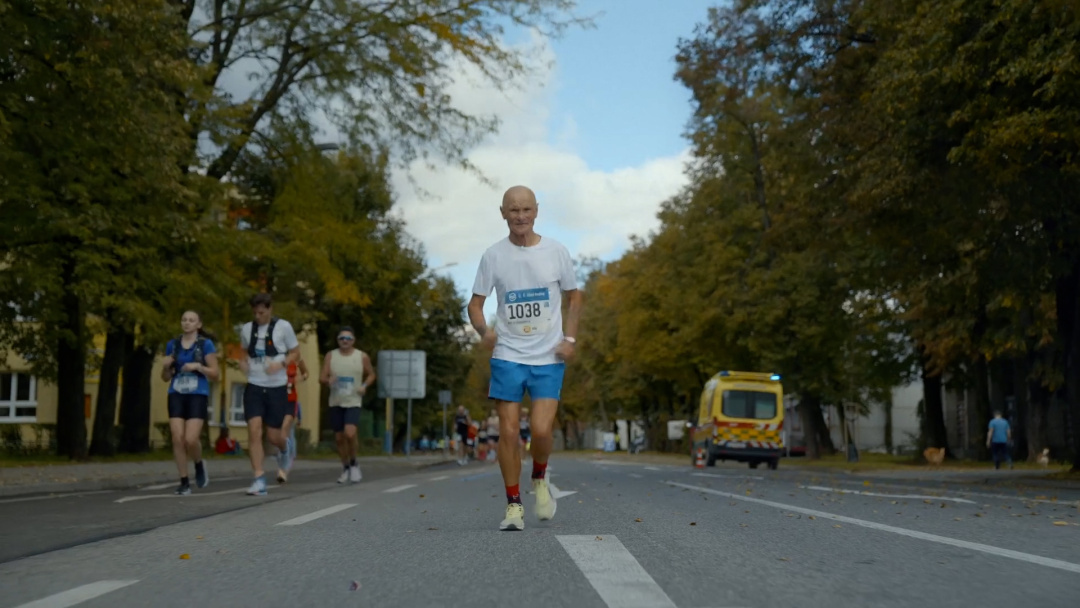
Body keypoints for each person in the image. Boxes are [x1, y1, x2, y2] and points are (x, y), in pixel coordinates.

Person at [467, 185, 583, 531]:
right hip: (508, 355)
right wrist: (483, 330)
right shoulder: (493, 256)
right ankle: (514, 505)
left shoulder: (556, 251)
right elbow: (475, 304)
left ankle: (539, 477)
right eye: (513, 210)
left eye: (526, 210)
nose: (520, 217)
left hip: (548, 356)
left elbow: (575, 298)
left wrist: (570, 339)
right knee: (507, 431)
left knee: (542, 430)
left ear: (536, 211)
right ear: (502, 213)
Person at [239, 293, 300, 496]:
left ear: (270, 309)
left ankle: (285, 448)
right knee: (254, 431)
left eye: (262, 312)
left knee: (274, 436)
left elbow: (295, 353)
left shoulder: (284, 327)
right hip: (254, 385)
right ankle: (258, 478)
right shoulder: (247, 329)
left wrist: (280, 364)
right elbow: (242, 352)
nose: (258, 316)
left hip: (277, 387)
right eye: (255, 313)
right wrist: (243, 363)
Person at [160, 311, 221, 495]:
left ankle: (199, 463)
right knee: (177, 438)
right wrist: (165, 367)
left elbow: (216, 374)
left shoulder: (205, 345)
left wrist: (198, 366)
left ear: (198, 324)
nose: (187, 323)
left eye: (191, 320)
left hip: (197, 393)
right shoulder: (173, 345)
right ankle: (184, 481)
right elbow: (165, 377)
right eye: (184, 320)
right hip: (176, 392)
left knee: (190, 439)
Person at [320, 326, 375, 484]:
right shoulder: (331, 356)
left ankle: (354, 463)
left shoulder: (361, 356)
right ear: (338, 340)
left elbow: (371, 374)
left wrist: (364, 386)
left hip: (353, 400)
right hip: (336, 401)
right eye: (342, 338)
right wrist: (327, 380)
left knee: (350, 433)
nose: (345, 341)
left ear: (353, 340)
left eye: (348, 338)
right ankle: (345, 467)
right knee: (339, 438)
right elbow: (321, 377)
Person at [278, 356, 309, 482]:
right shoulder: (272, 357)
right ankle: (283, 462)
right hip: (275, 401)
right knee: (277, 436)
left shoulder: (296, 359)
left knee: (287, 432)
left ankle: (283, 469)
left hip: (290, 402)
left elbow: (306, 373)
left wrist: (299, 379)